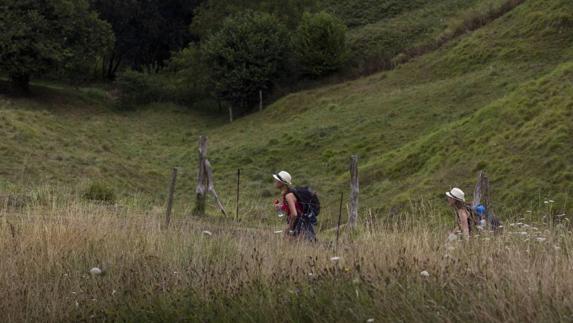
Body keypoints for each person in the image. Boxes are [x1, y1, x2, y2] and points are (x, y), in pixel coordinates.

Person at [273, 171, 316, 241]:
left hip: (299, 225)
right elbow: (293, 208)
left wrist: (289, 227)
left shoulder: (288, 195)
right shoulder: (287, 194)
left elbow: (294, 214)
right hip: (299, 223)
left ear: (282, 183)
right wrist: (281, 207)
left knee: (300, 245)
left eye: (277, 180)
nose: (275, 181)